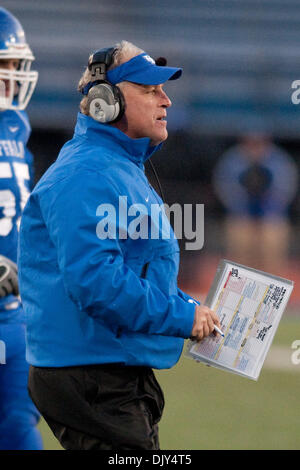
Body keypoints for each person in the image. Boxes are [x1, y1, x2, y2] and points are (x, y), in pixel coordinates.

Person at [18, 40, 221, 450]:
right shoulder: (87, 174)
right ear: (104, 102)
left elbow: (134, 271)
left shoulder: (115, 168)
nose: (165, 100)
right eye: (149, 90)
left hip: (108, 368)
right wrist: (181, 318)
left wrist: (188, 308)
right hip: (91, 372)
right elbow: (96, 283)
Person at [0, 7, 42, 450]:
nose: (13, 76)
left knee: (18, 427)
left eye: (16, 66)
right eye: (4, 65)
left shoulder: (15, 123)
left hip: (11, 312)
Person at [213, 133, 298, 274]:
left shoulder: (278, 161)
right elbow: (225, 187)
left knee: (272, 258)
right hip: (241, 216)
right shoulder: (234, 161)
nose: (255, 147)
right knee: (240, 261)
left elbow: (286, 189)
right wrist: (242, 206)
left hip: (271, 217)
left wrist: (268, 207)